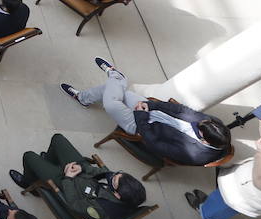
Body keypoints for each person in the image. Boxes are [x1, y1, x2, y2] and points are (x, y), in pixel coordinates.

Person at [62, 56, 232, 166]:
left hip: (142, 127)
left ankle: (116, 77)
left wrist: (141, 115)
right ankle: (88, 95)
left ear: (204, 140)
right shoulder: (213, 124)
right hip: (151, 111)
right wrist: (150, 106)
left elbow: (154, 143)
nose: (197, 123)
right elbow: (180, 110)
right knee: (118, 92)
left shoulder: (196, 154)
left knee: (112, 103)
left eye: (198, 128)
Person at [12, 133, 147, 219]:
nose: (113, 176)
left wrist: (68, 178)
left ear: (117, 195)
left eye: (114, 180)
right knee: (58, 139)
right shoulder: (121, 184)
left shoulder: (102, 209)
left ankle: (29, 182)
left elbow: (74, 204)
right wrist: (81, 167)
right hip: (81, 173)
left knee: (29, 156)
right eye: (117, 175)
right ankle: (49, 162)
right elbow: (104, 173)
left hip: (67, 185)